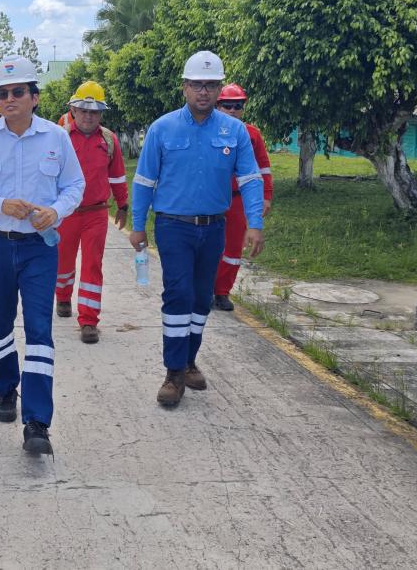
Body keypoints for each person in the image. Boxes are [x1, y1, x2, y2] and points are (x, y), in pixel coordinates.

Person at [0, 54, 85, 455]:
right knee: (0, 325)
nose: (10, 99)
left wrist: (55, 211)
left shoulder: (56, 138)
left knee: (40, 331)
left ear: (35, 97)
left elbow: (74, 186)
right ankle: (6, 389)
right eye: (3, 93)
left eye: (18, 92)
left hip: (40, 250)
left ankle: (38, 421)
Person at [128, 51, 265, 408]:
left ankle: (189, 360)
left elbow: (251, 179)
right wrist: (138, 226)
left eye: (210, 85)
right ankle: (173, 373)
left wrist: (255, 223)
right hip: (174, 227)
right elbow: (144, 180)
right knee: (177, 295)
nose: (203, 92)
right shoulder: (162, 128)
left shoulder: (234, 131)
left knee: (202, 297)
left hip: (214, 228)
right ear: (184, 87)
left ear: (219, 89)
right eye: (196, 85)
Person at [54, 81, 128, 343]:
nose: (88, 116)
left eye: (94, 111)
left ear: (101, 114)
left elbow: (117, 176)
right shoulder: (59, 136)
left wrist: (123, 205)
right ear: (73, 109)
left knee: (92, 265)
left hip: (96, 213)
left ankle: (88, 320)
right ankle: (62, 296)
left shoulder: (108, 140)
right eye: (83, 110)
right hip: (66, 213)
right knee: (62, 262)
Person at [212, 84, 273, 311]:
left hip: (238, 200)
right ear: (218, 106)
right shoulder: (207, 131)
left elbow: (263, 169)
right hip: (211, 199)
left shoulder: (252, 134)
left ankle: (222, 292)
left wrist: (265, 197)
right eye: (227, 105)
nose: (232, 110)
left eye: (237, 105)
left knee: (233, 249)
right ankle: (205, 288)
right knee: (208, 246)